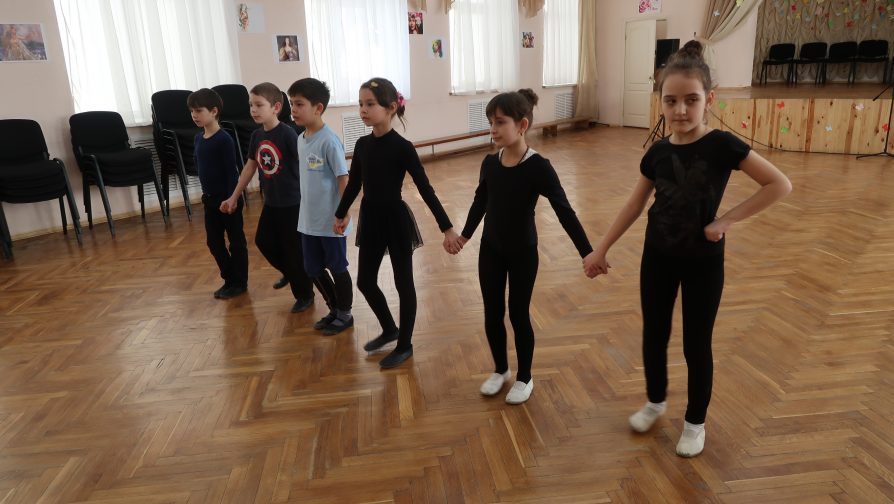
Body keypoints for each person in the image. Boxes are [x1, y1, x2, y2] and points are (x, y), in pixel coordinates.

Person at [584, 40, 792, 457]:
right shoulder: (657, 151)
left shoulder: (724, 146)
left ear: (709, 100)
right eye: (671, 100)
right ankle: (656, 400)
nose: (681, 110)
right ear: (659, 101)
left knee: (696, 343)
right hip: (656, 257)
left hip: (703, 263)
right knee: (654, 335)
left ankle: (695, 423)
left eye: (691, 100)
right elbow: (634, 203)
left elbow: (779, 184)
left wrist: (726, 219)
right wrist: (600, 249)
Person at [444, 89, 596, 405]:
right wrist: (465, 236)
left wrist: (587, 252)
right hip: (491, 249)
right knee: (492, 312)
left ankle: (525, 377)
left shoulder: (539, 167)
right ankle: (500, 369)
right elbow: (480, 201)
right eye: (491, 122)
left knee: (517, 313)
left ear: (522, 124)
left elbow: (564, 209)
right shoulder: (489, 162)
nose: (494, 129)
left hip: (523, 252)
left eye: (500, 122)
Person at [334, 77, 460, 369]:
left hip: (396, 221)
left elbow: (425, 188)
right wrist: (341, 213)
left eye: (370, 104)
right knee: (365, 281)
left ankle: (405, 344)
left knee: (404, 284)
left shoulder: (403, 147)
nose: (363, 110)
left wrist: (447, 227)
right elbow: (354, 184)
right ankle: (390, 329)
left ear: (391, 108)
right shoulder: (362, 144)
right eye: (360, 104)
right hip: (371, 218)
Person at [221, 82, 317, 313]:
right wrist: (233, 196)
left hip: (293, 203)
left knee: (293, 251)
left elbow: (307, 167)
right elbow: (249, 168)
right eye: (251, 105)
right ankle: (290, 272)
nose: (253, 110)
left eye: (258, 105)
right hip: (272, 202)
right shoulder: (256, 136)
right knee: (263, 241)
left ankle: (305, 294)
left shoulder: (288, 134)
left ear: (275, 107)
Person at [287, 77, 354, 335]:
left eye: (299, 104)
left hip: (331, 221)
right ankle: (334, 308)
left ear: (318, 108)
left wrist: (344, 213)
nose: (293, 109)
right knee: (312, 268)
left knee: (337, 267)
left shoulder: (329, 140)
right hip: (308, 221)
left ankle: (345, 314)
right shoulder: (300, 138)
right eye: (292, 103)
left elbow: (343, 178)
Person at [188, 88, 248, 300]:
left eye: (198, 110)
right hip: (210, 200)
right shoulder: (198, 139)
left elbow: (232, 172)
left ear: (214, 111)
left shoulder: (224, 139)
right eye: (191, 111)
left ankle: (240, 282)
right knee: (214, 242)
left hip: (228, 200)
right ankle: (230, 278)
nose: (194, 115)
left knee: (236, 242)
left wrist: (231, 199)